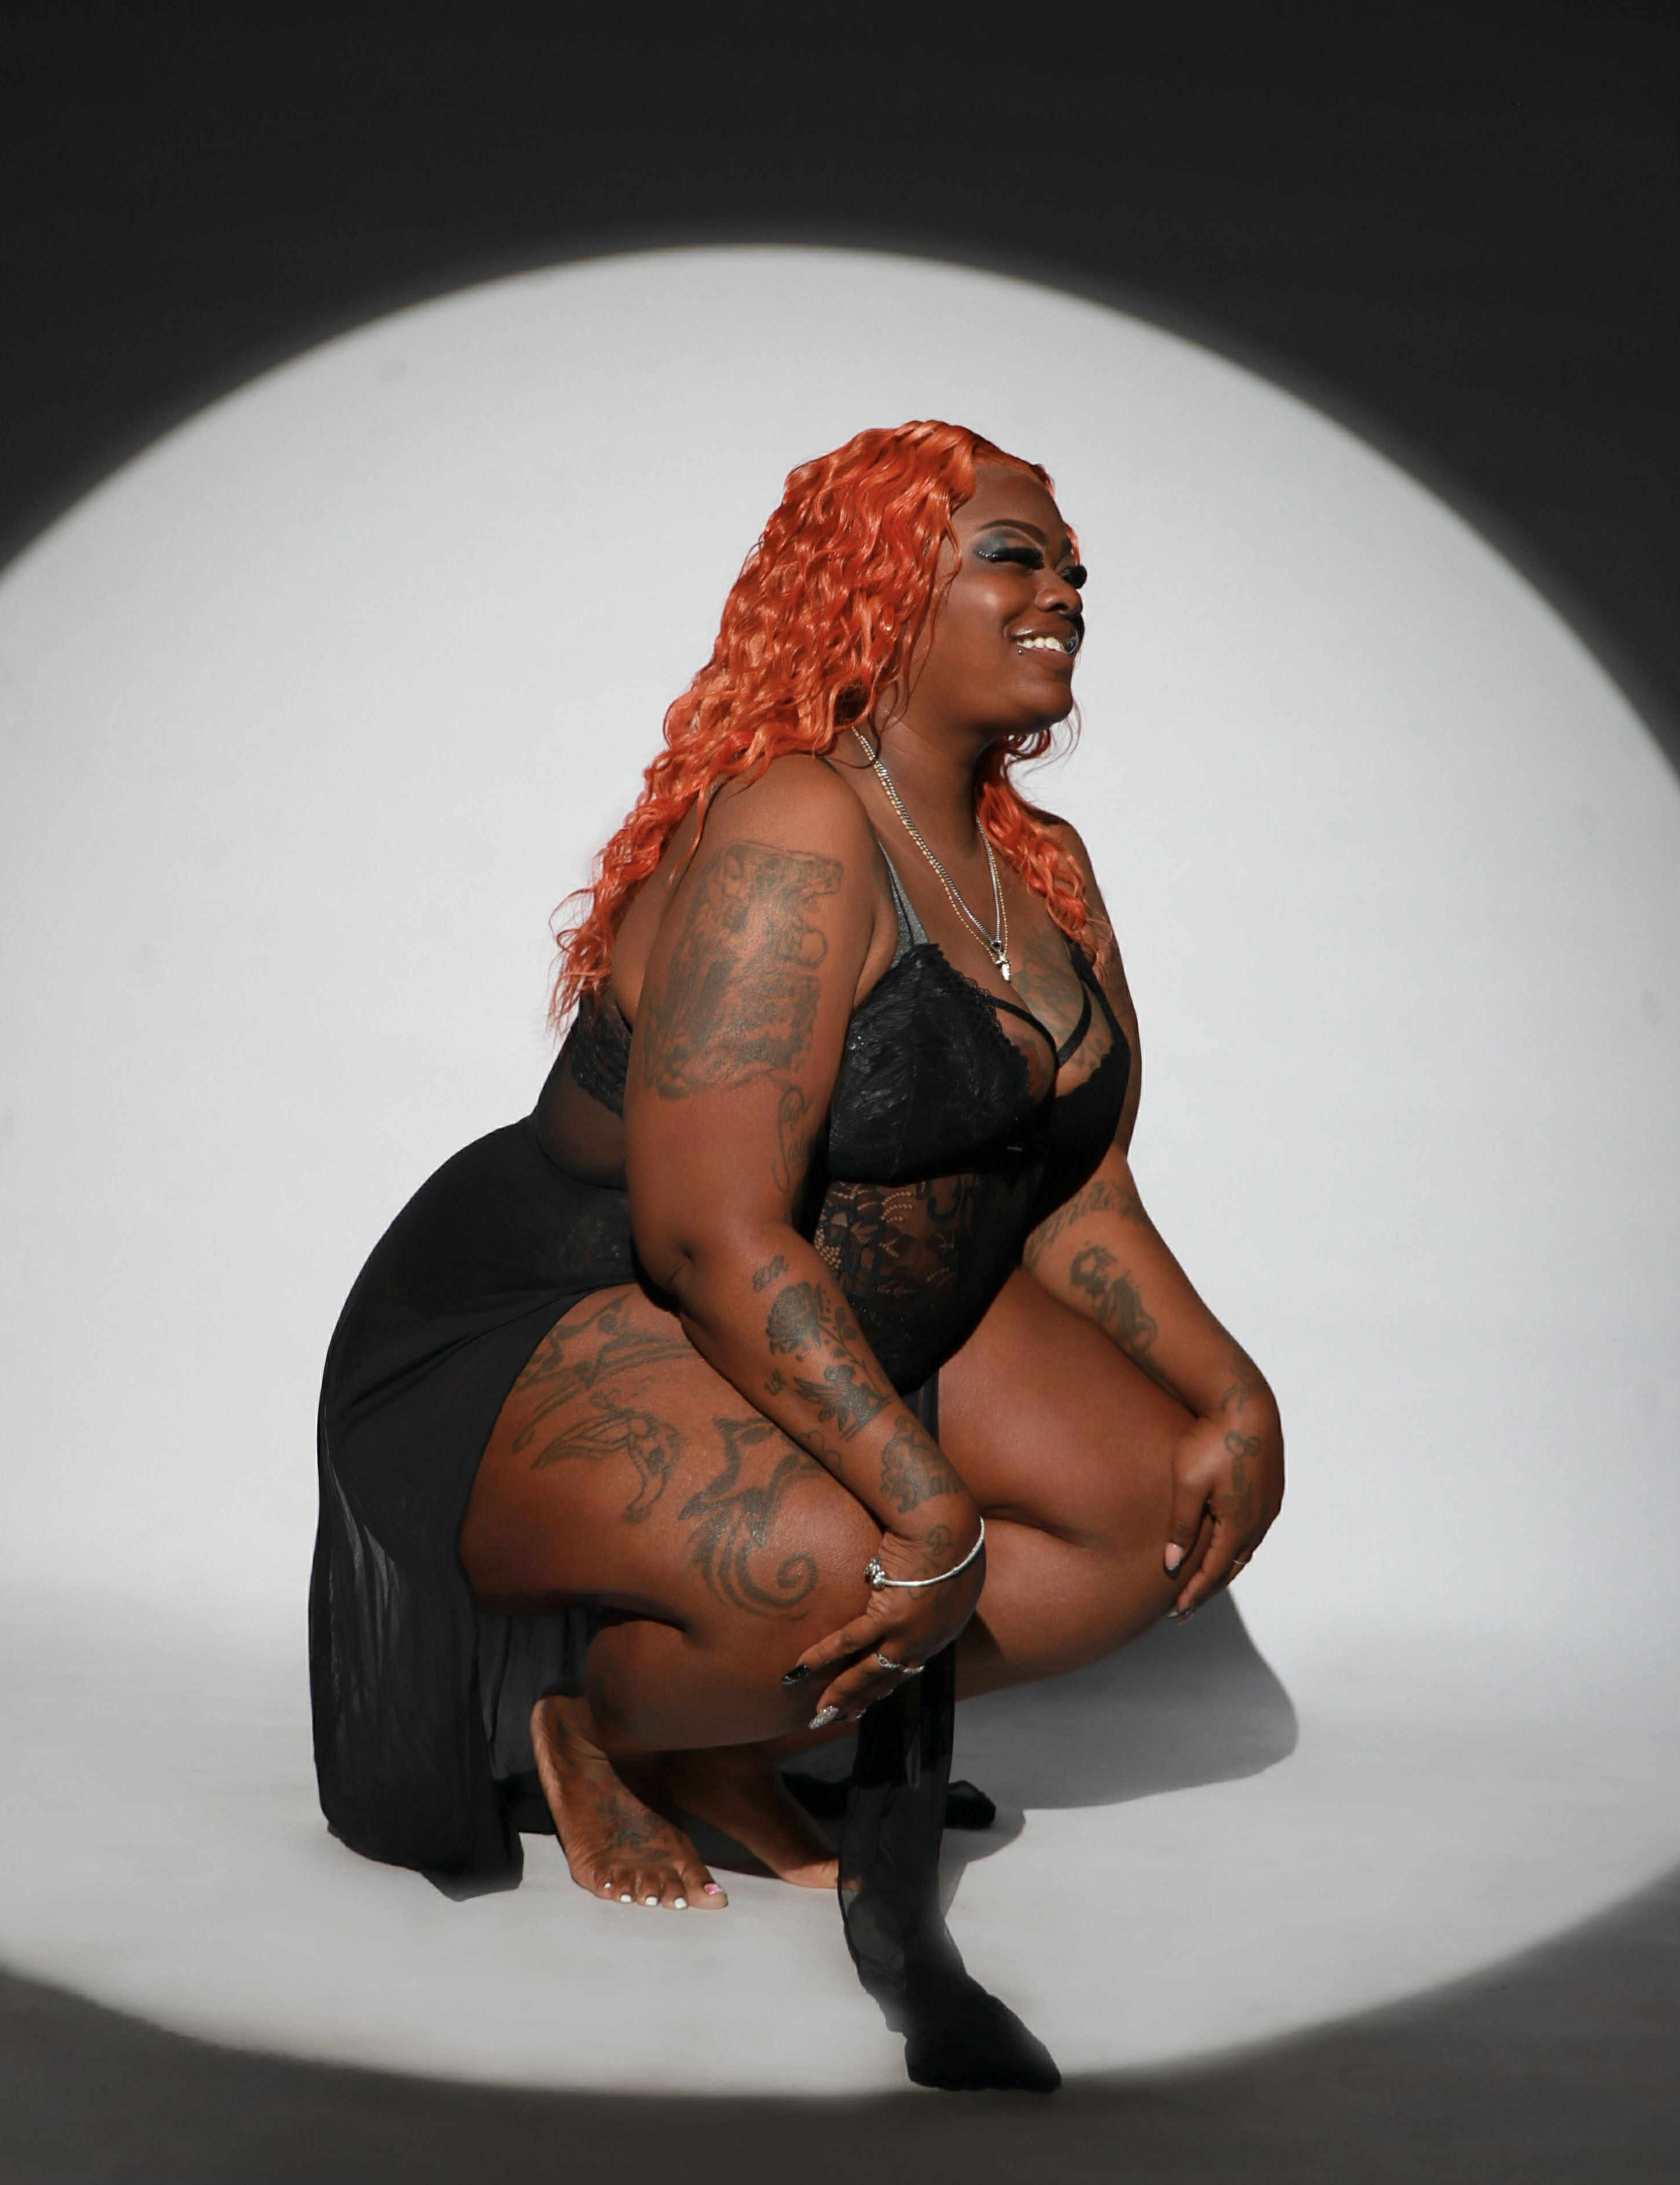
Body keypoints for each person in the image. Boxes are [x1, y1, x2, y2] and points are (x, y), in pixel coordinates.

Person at [309, 420, 1284, 2091]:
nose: (1063, 593)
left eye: (1073, 570)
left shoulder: (1043, 866)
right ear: (878, 586)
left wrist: (1234, 1393)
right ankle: (595, 1719)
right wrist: (925, 1505)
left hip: (808, 1290)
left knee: (1153, 1523)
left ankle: (731, 1739)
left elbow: (1077, 1190)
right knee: (858, 1570)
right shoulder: (793, 827)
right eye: (1013, 556)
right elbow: (708, 1230)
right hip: (550, 1307)